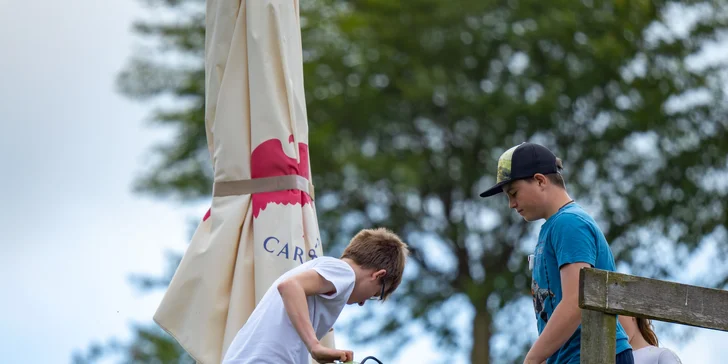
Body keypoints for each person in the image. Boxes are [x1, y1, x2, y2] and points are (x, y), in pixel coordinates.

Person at [480, 142, 634, 364]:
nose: (511, 204)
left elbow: (575, 301)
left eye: (513, 193)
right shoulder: (554, 227)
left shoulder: (569, 223)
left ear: (540, 180)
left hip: (595, 355)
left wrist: (532, 359)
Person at [222, 227, 409, 364]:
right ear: (378, 275)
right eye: (375, 294)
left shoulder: (323, 271)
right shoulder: (344, 272)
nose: (361, 303)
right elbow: (290, 287)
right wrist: (315, 346)